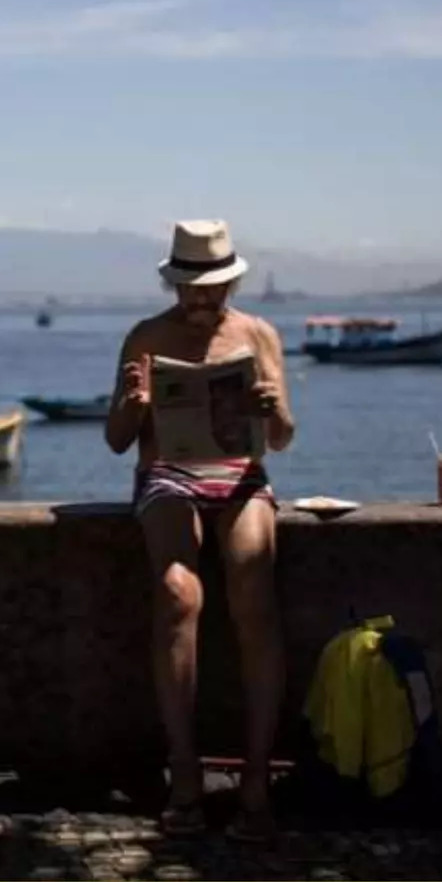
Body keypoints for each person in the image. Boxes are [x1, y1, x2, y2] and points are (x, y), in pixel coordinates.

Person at [104, 219, 295, 840]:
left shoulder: (258, 334)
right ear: (174, 284)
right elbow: (116, 441)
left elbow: (285, 437)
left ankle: (257, 779)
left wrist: (273, 410)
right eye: (189, 289)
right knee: (178, 595)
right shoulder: (145, 337)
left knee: (254, 593)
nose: (200, 301)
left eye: (210, 289)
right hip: (168, 474)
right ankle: (183, 774)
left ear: (229, 284)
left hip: (240, 474)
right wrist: (133, 406)